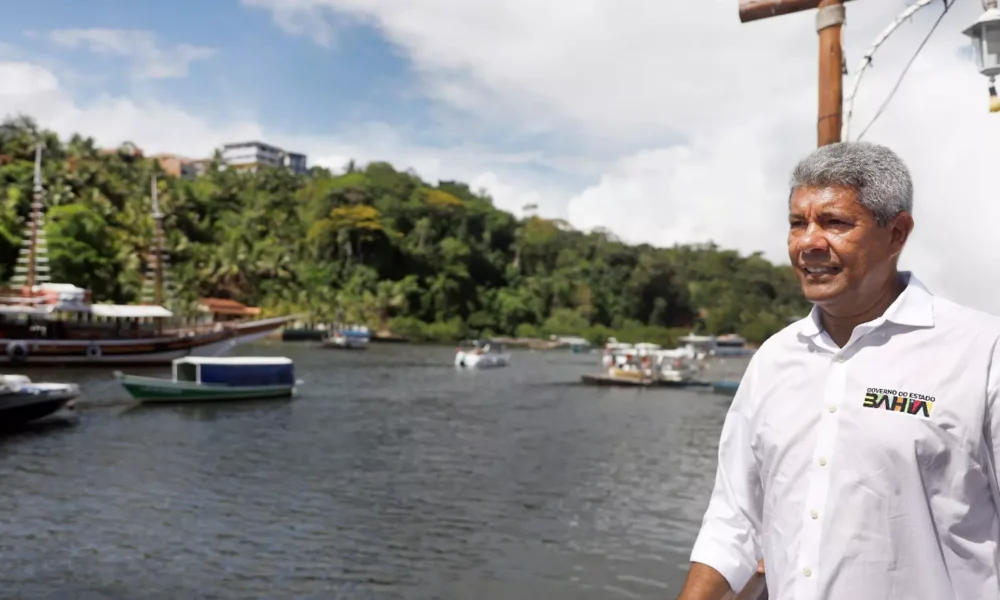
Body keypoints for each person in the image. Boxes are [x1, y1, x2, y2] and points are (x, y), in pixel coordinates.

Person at [677, 141, 1000, 600]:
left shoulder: (982, 352)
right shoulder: (773, 359)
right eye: (796, 223)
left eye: (834, 222)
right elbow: (736, 520)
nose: (808, 243)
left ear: (897, 233)